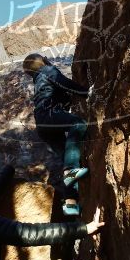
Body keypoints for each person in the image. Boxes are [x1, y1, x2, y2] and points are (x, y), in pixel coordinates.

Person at [22, 53, 92, 216]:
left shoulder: (38, 80)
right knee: (78, 124)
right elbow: (65, 84)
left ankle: (71, 204)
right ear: (42, 61)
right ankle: (70, 170)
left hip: (43, 125)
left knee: (68, 158)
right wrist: (87, 92)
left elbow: (60, 94)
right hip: (49, 116)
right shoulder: (47, 71)